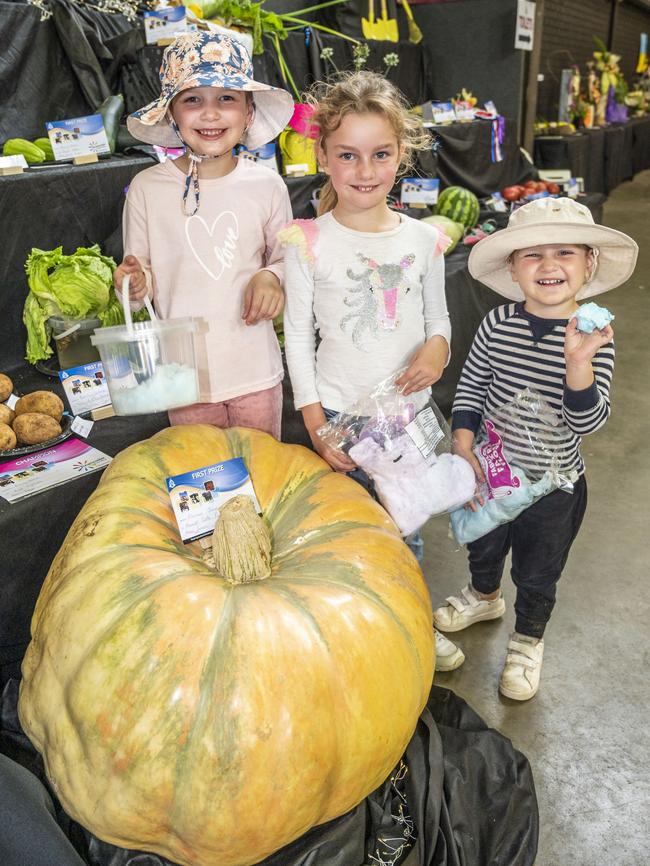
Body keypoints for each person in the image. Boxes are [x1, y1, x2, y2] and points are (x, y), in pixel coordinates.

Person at [280, 70, 463, 673]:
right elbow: (299, 334)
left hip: (405, 421)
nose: (365, 171)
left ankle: (408, 626)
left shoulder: (422, 239)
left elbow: (439, 315)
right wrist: (313, 418)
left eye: (380, 154)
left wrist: (438, 347)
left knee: (405, 534)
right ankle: (355, 635)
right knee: (347, 530)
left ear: (401, 154)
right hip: (338, 414)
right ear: (323, 156)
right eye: (348, 155)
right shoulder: (309, 242)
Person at [433, 197, 638, 700]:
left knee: (538, 567)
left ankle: (527, 638)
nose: (548, 265)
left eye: (565, 252)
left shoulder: (593, 338)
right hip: (491, 469)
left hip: (554, 487)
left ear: (588, 264)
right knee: (483, 544)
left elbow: (586, 422)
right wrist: (464, 445)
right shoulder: (497, 322)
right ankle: (484, 595)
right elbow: (471, 387)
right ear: (512, 267)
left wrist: (577, 364)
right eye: (532, 254)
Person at [113, 31, 295, 438]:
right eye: (193, 99)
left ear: (248, 113)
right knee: (204, 479)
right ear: (171, 114)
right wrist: (133, 281)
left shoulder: (267, 186)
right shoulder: (146, 188)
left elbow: (288, 259)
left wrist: (273, 277)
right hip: (183, 380)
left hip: (255, 372)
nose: (210, 114)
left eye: (226, 98)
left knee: (265, 474)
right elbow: (138, 274)